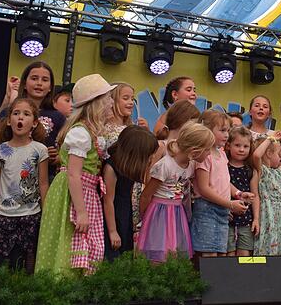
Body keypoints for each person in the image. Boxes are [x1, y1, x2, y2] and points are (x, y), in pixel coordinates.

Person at [35, 74, 116, 275]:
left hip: (86, 192)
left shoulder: (93, 132)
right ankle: (61, 281)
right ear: (96, 104)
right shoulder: (80, 133)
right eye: (107, 99)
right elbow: (73, 174)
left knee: (84, 241)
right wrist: (80, 211)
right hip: (72, 194)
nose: (111, 103)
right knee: (68, 239)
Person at [0, 99, 48, 272]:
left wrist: (45, 209)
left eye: (26, 114)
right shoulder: (0, 151)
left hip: (30, 213)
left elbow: (43, 183)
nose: (20, 118)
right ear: (9, 120)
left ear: (34, 123)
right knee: (4, 263)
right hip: (3, 214)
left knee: (28, 259)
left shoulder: (39, 150)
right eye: (16, 113)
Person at [138, 122, 213, 262]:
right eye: (207, 150)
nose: (209, 154)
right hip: (159, 212)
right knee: (159, 254)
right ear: (195, 151)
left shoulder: (191, 165)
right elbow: (146, 195)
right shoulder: (165, 165)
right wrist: (145, 218)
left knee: (174, 253)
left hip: (177, 212)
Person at [191, 110, 249, 257]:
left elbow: (224, 181)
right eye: (222, 130)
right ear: (207, 131)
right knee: (209, 254)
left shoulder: (222, 153)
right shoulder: (204, 155)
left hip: (222, 210)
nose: (226, 135)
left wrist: (238, 194)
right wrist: (229, 204)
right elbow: (204, 189)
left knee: (221, 254)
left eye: (228, 131)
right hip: (207, 209)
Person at [102, 126, 158, 260]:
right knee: (113, 253)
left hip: (125, 213)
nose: (152, 157)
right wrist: (112, 231)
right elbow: (107, 201)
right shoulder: (111, 168)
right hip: (112, 216)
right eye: (149, 154)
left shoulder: (130, 168)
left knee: (126, 252)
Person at [225, 126, 259, 257]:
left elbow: (255, 196)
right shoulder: (223, 166)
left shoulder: (251, 170)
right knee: (229, 254)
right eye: (237, 145)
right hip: (227, 217)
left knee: (244, 255)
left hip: (246, 220)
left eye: (245, 146)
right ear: (228, 146)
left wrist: (256, 219)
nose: (241, 149)